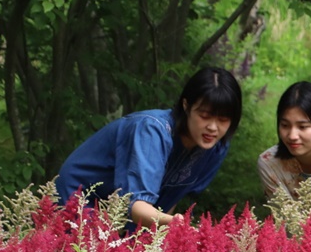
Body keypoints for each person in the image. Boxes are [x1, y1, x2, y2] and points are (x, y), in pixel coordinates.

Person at [55, 66, 242, 228]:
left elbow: (169, 200)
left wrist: (163, 231)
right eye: (205, 116)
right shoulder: (152, 130)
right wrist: (175, 223)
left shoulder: (216, 147)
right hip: (80, 197)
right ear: (186, 106)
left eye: (223, 120)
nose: (213, 127)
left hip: (124, 213)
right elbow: (137, 206)